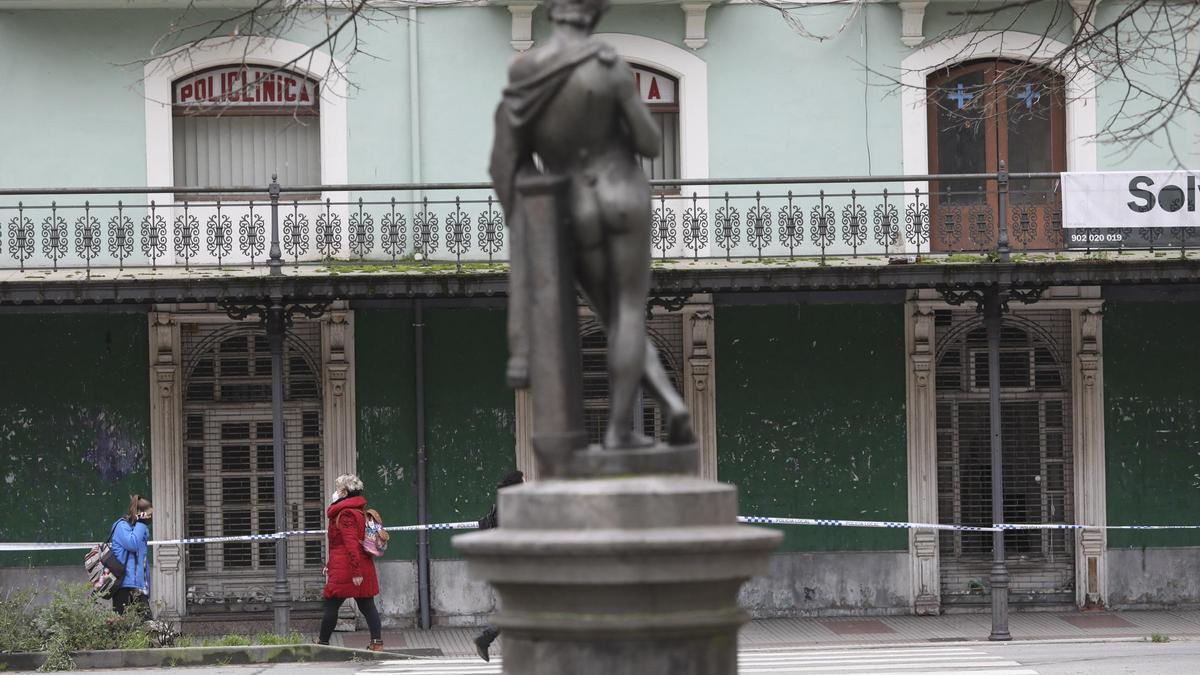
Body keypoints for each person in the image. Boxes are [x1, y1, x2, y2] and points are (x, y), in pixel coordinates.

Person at [489, 0, 695, 450]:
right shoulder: (610, 67)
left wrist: (524, 223)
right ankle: (639, 419)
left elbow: (507, 157)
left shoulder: (526, 71)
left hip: (573, 204)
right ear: (595, 15)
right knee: (626, 314)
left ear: (554, 13)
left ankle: (645, 415)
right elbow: (649, 141)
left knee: (611, 315)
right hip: (624, 194)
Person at [318, 474, 384, 651]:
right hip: (358, 564)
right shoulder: (359, 511)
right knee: (367, 606)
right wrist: (330, 564)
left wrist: (355, 572)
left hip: (347, 568)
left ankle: (322, 644)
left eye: (338, 489)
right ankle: (376, 644)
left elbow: (350, 544)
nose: (336, 492)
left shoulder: (346, 513)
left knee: (331, 604)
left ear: (345, 492)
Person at [473, 470, 525, 662]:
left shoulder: (506, 505)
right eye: (524, 481)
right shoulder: (516, 507)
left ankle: (486, 638)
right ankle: (486, 638)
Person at [111, 494, 152, 619]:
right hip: (123, 585)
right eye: (149, 513)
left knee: (148, 626)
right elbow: (132, 544)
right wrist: (141, 523)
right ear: (140, 513)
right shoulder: (121, 526)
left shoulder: (139, 529)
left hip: (138, 585)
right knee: (122, 628)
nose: (151, 517)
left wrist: (146, 585)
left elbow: (142, 560)